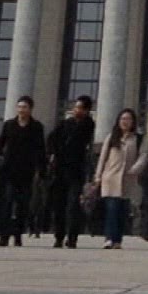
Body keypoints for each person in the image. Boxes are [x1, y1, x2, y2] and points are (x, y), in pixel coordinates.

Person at [0, 96, 45, 246]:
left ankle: (18, 234)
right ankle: (4, 236)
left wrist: (42, 169)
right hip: (9, 170)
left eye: (24, 107)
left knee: (23, 204)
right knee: (7, 202)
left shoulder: (36, 127)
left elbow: (40, 149)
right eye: (19, 107)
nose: (21, 110)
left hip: (27, 171)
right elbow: (0, 143)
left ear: (30, 109)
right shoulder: (9, 125)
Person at [45, 95, 96, 249]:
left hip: (76, 170)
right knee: (59, 204)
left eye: (79, 108)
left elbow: (81, 139)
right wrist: (52, 153)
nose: (76, 110)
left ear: (86, 110)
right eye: (75, 107)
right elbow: (51, 138)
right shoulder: (65, 123)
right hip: (60, 169)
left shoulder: (88, 124)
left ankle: (72, 237)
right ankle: (59, 236)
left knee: (73, 205)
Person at [94, 108, 146, 249]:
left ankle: (117, 240)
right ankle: (109, 238)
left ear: (133, 122)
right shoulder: (112, 137)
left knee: (122, 211)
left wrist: (134, 169)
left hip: (127, 179)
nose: (125, 122)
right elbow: (103, 158)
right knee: (112, 209)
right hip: (110, 177)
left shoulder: (138, 138)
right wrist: (98, 176)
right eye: (123, 119)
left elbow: (143, 156)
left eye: (128, 119)